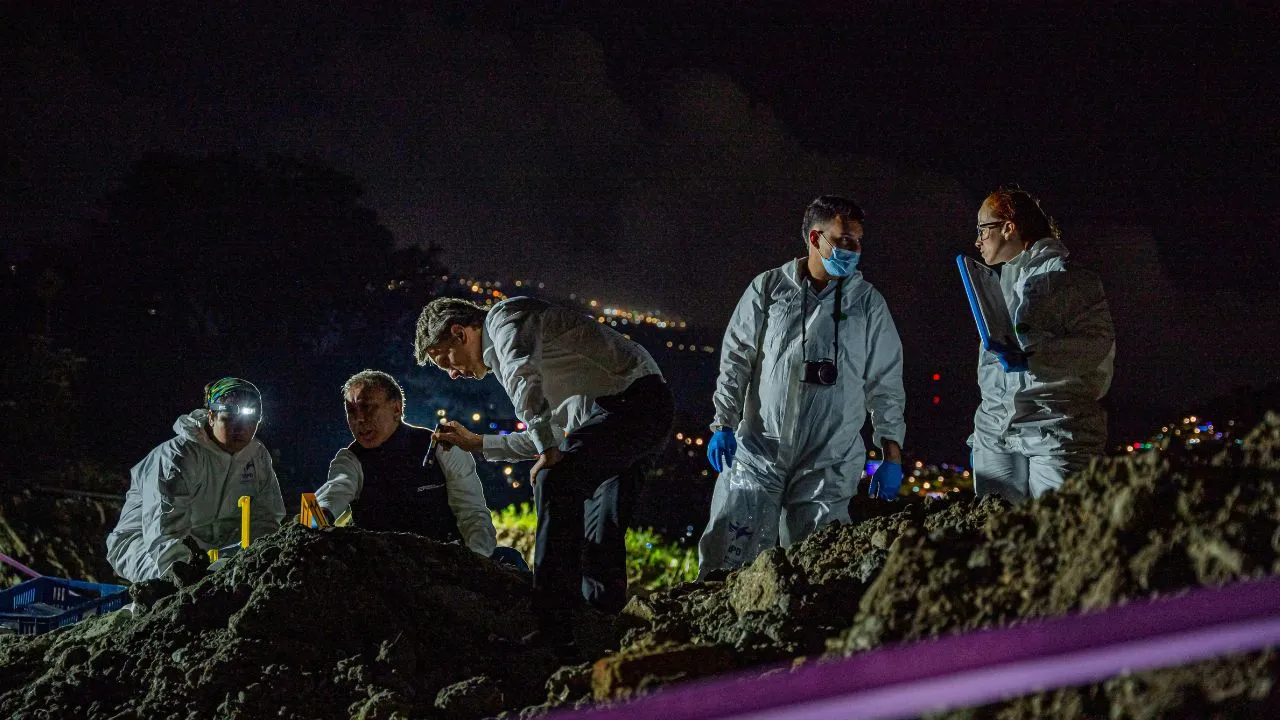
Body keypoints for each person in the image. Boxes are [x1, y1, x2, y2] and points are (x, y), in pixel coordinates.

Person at [415, 296, 673, 656]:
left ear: (459, 333)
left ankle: (552, 626)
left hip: (632, 403)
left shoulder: (504, 320)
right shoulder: (540, 358)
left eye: (446, 361)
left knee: (556, 480)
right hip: (635, 411)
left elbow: (524, 378)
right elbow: (548, 429)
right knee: (602, 529)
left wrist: (550, 453)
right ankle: (600, 628)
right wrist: (479, 443)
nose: (453, 373)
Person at [697, 195, 907, 579]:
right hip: (761, 450)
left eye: (857, 242)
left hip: (830, 459)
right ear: (815, 238)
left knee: (816, 565)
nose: (852, 250)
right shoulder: (769, 288)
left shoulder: (868, 304)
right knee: (730, 556)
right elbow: (736, 359)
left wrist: (891, 453)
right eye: (842, 240)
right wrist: (723, 423)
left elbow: (886, 382)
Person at [968, 187, 1116, 500]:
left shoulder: (1070, 279)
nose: (977, 240)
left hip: (1055, 430)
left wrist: (1033, 356)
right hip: (996, 431)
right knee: (997, 532)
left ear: (1008, 227)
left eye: (982, 229)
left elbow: (1097, 344)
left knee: (1061, 532)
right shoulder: (1000, 285)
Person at [106, 377, 286, 583]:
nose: (241, 428)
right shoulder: (178, 456)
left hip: (211, 544)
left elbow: (265, 517)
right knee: (171, 583)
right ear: (211, 417)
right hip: (144, 543)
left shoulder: (257, 455)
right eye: (230, 419)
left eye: (250, 421)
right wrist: (183, 573)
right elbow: (164, 529)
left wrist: (264, 558)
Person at [313, 370, 498, 559]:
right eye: (351, 411)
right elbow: (333, 490)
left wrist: (477, 559)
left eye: (368, 407)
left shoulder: (443, 447)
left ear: (396, 409)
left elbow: (473, 514)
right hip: (383, 570)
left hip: (444, 564)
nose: (359, 419)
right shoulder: (350, 459)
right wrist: (305, 528)